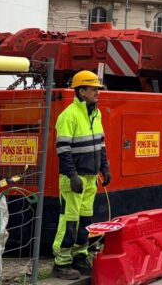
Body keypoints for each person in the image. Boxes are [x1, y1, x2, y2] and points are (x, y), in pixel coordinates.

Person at [52, 70, 112, 280]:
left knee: (85, 220)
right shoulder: (68, 116)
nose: (98, 92)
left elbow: (101, 143)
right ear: (81, 91)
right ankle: (61, 263)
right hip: (74, 179)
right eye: (93, 88)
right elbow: (63, 150)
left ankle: (79, 257)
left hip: (90, 177)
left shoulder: (96, 114)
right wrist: (72, 176)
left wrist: (105, 166)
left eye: (97, 88)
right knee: (69, 221)